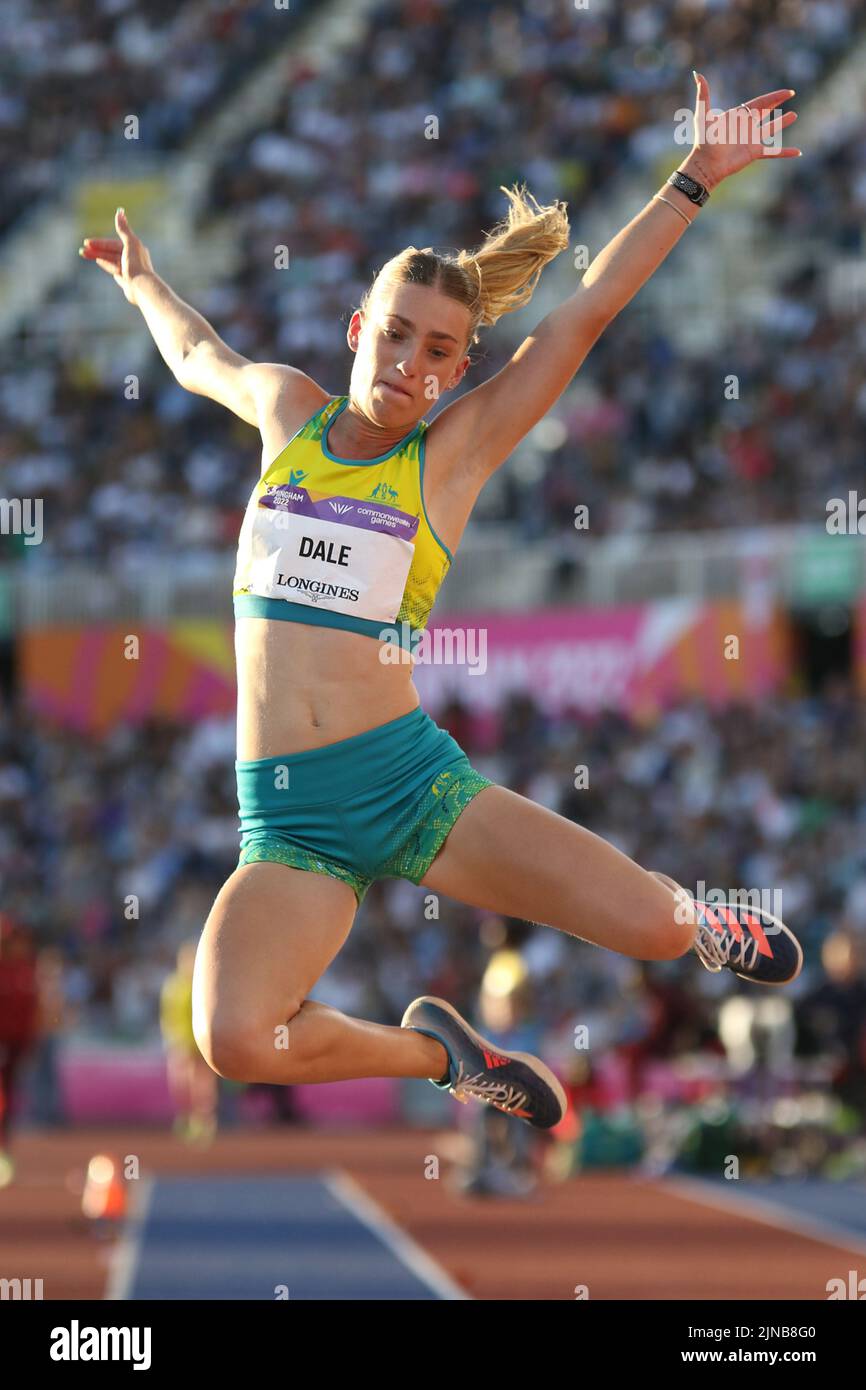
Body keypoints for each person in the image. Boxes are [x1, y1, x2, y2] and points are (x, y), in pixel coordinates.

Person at [80, 73, 804, 1131]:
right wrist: (142, 282)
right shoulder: (288, 413)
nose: (411, 363)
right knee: (234, 1037)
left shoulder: (452, 456)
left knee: (652, 932)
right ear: (356, 326)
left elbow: (583, 313)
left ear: (459, 365)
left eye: (437, 351)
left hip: (409, 787)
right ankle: (442, 1053)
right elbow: (198, 354)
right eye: (396, 334)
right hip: (288, 819)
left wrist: (691, 178)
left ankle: (698, 913)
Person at [159, 941, 218, 1145]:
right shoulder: (173, 987)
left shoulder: (202, 986)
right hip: (180, 1043)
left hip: (200, 1043)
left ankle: (204, 1122)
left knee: (202, 1083)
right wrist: (173, 1040)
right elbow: (167, 1016)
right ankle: (186, 1119)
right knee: (181, 1083)